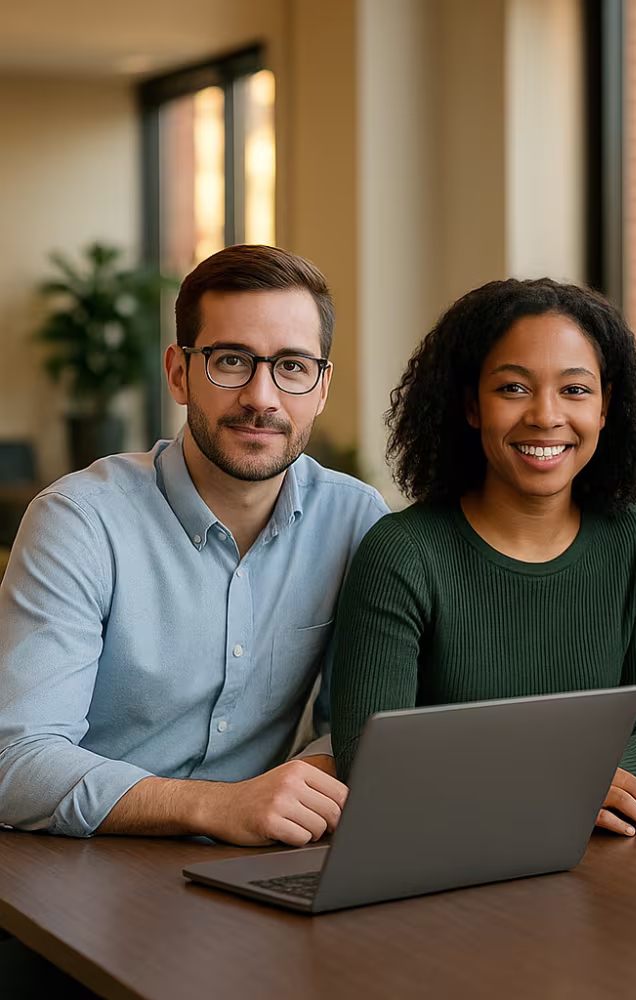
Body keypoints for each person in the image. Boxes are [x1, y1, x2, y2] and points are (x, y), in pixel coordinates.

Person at [0, 244, 388, 846]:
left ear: (321, 386)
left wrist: (299, 785)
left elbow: (360, 724)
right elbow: (16, 760)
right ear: (179, 372)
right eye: (231, 361)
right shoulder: (78, 521)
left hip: (251, 860)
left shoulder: (355, 519)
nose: (262, 397)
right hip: (77, 864)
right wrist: (215, 807)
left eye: (291, 366)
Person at [330, 278, 636, 837]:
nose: (546, 417)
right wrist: (559, 787)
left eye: (575, 390)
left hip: (600, 863)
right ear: (471, 404)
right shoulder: (401, 553)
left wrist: (560, 791)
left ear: (606, 406)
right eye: (513, 389)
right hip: (440, 858)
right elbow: (366, 758)